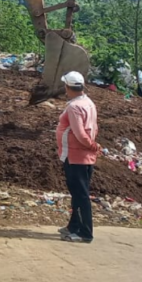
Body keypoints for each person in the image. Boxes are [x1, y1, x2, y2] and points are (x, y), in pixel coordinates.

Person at [55, 71, 101, 243]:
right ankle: (73, 226)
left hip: (76, 156)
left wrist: (93, 146)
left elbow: (80, 134)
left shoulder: (74, 107)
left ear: (68, 87)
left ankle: (85, 233)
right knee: (77, 193)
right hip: (82, 155)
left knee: (81, 195)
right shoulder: (88, 102)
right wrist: (93, 146)